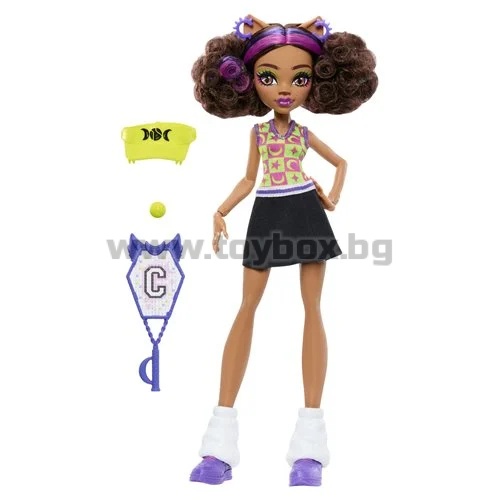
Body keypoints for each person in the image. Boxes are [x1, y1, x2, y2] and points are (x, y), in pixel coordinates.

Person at [189, 15, 377, 486]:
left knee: (312, 308)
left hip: (305, 208)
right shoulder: (258, 134)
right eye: (269, 77)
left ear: (318, 81)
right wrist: (221, 209)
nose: (285, 89)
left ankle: (310, 446)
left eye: (301, 77)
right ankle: (219, 441)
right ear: (249, 80)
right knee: (247, 306)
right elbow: (248, 179)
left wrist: (331, 198)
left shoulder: (302, 134)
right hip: (268, 212)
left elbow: (341, 162)